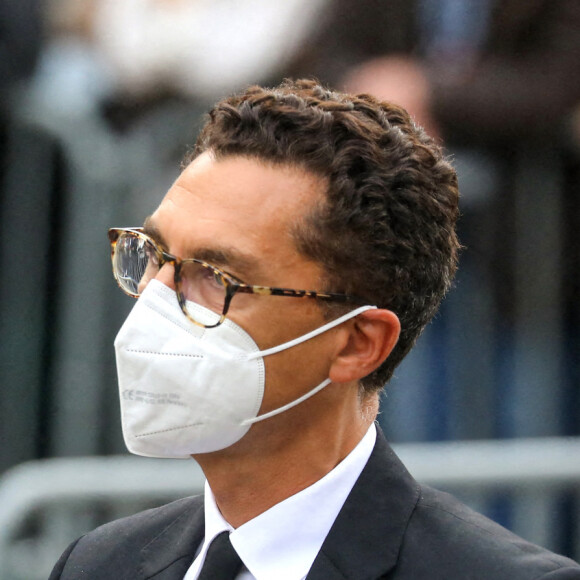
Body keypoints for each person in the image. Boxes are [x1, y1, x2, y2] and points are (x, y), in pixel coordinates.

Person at [49, 79, 580, 579]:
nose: (154, 299)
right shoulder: (98, 564)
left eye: (214, 276)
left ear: (357, 344)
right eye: (153, 254)